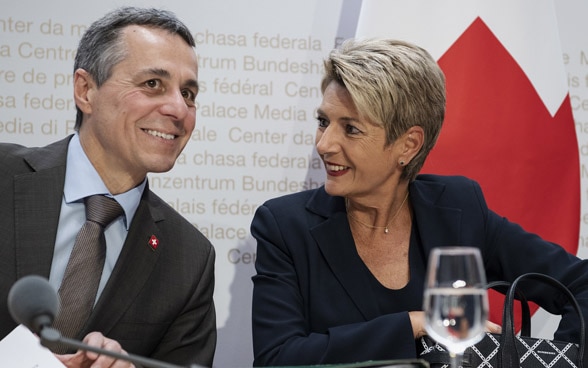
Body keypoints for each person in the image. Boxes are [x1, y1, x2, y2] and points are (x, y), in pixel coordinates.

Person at [250, 38, 588, 366]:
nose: (324, 144)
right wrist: (415, 324)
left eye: (350, 129)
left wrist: (556, 361)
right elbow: (278, 358)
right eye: (323, 122)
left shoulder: (458, 208)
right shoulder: (284, 226)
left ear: (408, 145)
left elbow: (581, 284)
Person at [0, 6, 216, 368]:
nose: (179, 109)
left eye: (189, 93)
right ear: (85, 91)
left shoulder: (189, 259)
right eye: (153, 84)